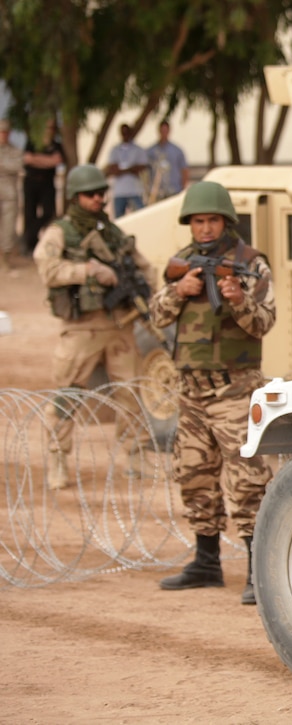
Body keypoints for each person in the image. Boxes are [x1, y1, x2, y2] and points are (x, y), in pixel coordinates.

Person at [149, 181, 275, 605]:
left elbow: (264, 323)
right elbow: (156, 316)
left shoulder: (251, 263)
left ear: (226, 221)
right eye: (198, 221)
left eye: (212, 220)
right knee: (194, 476)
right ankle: (206, 562)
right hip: (191, 392)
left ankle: (259, 571)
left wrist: (238, 300)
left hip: (233, 389)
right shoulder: (182, 262)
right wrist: (178, 291)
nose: (205, 228)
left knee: (247, 483)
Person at [32, 164, 156, 491]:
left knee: (131, 392)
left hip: (119, 325)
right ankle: (58, 456)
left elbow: (144, 267)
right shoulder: (61, 232)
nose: (98, 198)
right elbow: (47, 268)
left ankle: (134, 455)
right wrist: (88, 270)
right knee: (69, 394)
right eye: (91, 194)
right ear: (76, 197)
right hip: (82, 328)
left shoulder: (112, 232)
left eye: (102, 193)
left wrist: (147, 293)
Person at [21, 117, 64, 255]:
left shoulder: (56, 145)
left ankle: (30, 234)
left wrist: (36, 159)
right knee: (29, 213)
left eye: (52, 128)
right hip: (31, 182)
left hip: (47, 182)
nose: (49, 130)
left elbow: (56, 161)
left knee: (48, 213)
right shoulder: (33, 142)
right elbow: (27, 159)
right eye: (47, 127)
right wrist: (47, 161)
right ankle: (29, 244)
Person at [105, 123, 149, 218]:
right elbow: (112, 169)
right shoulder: (115, 150)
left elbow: (141, 168)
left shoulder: (138, 149)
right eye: (123, 133)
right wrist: (131, 169)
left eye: (127, 132)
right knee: (119, 219)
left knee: (141, 216)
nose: (125, 135)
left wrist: (122, 170)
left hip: (135, 190)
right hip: (119, 191)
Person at [145, 120, 189, 202]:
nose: (164, 133)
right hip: (157, 192)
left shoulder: (177, 151)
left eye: (165, 131)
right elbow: (145, 171)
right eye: (162, 131)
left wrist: (183, 188)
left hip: (174, 191)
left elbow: (184, 170)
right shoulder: (151, 151)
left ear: (169, 131)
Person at [0, 119, 22, 273]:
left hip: (9, 195)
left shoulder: (15, 151)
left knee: (8, 227)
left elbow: (17, 166)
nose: (3, 135)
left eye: (5, 132)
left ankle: (5, 259)